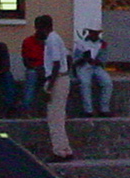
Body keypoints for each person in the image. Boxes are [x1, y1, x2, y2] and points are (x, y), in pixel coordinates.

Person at [35, 14, 74, 163]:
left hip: (57, 80)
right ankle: (65, 149)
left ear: (42, 27)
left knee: (54, 118)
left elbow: (56, 64)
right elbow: (68, 58)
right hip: (63, 78)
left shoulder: (51, 40)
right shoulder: (57, 37)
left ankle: (59, 151)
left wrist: (48, 88)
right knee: (59, 116)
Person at [73, 26, 113, 117]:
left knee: (107, 82)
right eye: (92, 32)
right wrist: (84, 58)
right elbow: (75, 60)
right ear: (89, 32)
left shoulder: (103, 44)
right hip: (84, 67)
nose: (94, 35)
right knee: (85, 83)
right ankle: (88, 110)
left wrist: (97, 61)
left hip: (97, 67)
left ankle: (104, 108)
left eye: (96, 33)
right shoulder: (81, 43)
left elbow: (104, 59)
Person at [18, 26, 46, 117]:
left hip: (45, 69)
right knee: (31, 80)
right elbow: (26, 61)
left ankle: (44, 110)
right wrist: (36, 68)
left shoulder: (49, 42)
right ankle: (27, 109)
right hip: (33, 68)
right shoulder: (28, 42)